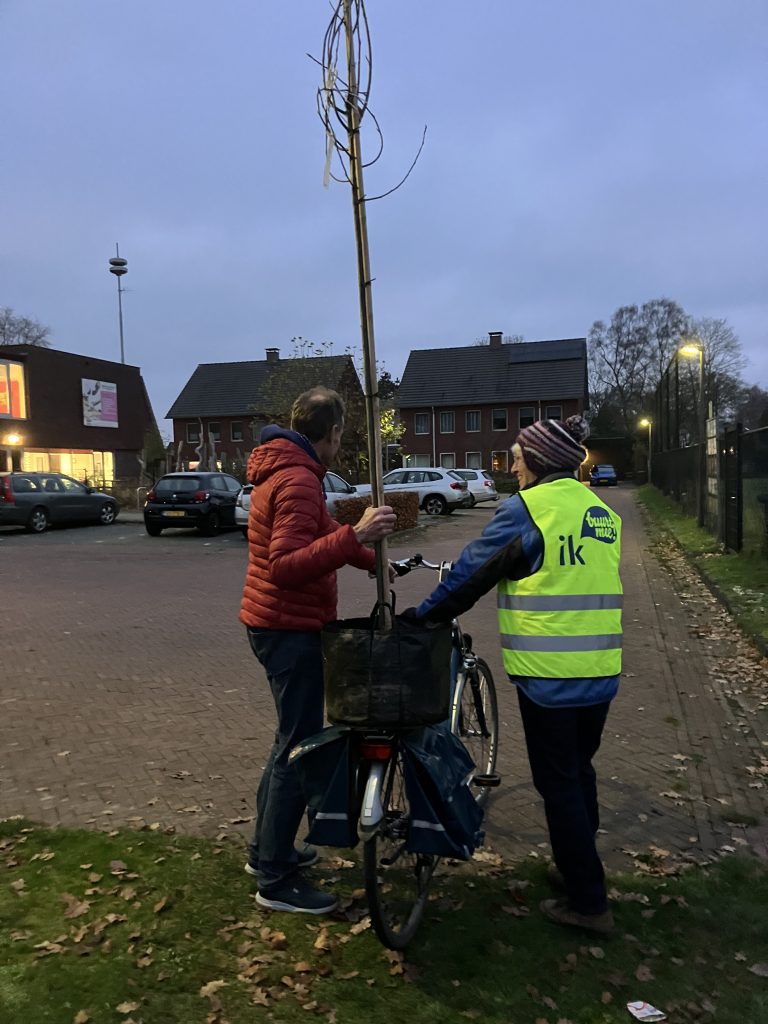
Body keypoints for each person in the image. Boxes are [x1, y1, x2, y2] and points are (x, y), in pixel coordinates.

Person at [410, 415, 622, 935]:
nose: (514, 465)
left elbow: (472, 573)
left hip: (551, 675)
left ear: (543, 460)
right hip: (600, 670)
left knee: (560, 784)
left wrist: (420, 620)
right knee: (579, 770)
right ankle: (576, 865)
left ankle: (588, 902)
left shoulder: (528, 510)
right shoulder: (601, 511)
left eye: (519, 456)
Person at [240, 386, 396, 915]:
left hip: (275, 625)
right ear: (330, 434)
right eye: (339, 437)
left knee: (288, 740)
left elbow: (322, 533)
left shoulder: (282, 470)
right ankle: (276, 879)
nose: (338, 446)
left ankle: (266, 850)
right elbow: (286, 564)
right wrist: (357, 531)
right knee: (298, 748)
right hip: (290, 629)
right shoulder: (300, 478)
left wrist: (367, 556)